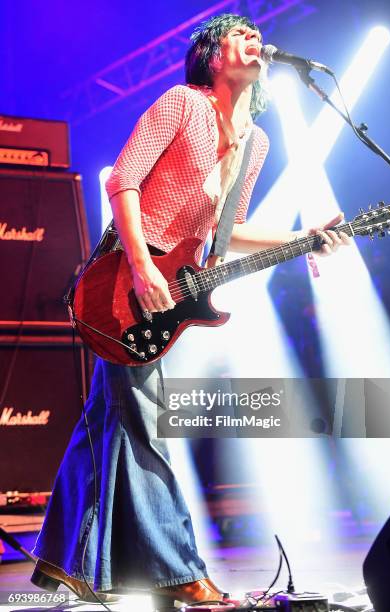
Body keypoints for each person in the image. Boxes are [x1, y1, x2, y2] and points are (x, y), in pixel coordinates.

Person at [30, 12, 350, 608]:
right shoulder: (181, 103)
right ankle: (177, 570)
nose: (255, 39)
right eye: (240, 33)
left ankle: (65, 562)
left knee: (111, 421)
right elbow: (123, 180)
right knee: (146, 420)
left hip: (169, 287)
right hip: (126, 277)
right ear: (211, 53)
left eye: (259, 34)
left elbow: (232, 231)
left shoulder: (255, 142)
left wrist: (306, 236)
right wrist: (144, 266)